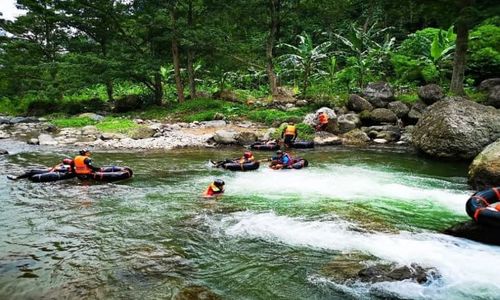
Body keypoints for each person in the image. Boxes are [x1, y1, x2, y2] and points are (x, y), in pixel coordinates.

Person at [7, 158, 74, 180]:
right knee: (32, 171)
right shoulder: (63, 165)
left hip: (54, 172)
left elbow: (68, 171)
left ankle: (17, 178)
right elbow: (59, 165)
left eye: (67, 161)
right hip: (51, 170)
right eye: (66, 161)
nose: (66, 161)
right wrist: (55, 167)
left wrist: (55, 169)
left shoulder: (71, 167)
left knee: (33, 173)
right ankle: (17, 178)